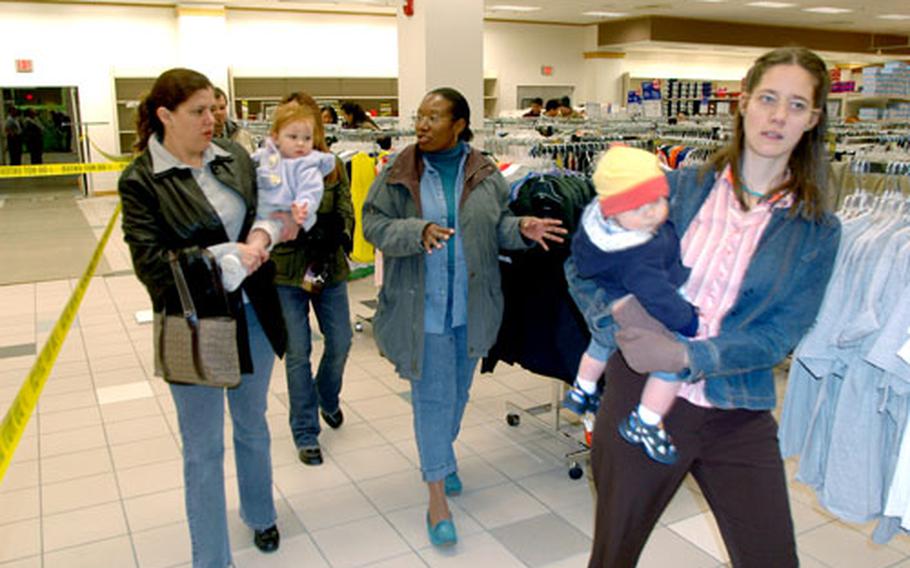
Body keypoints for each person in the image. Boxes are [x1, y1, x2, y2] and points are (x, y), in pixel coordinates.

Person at [579, 47, 842, 567]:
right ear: (743, 102)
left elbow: (777, 336)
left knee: (771, 557)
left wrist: (689, 358)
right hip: (640, 400)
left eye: (795, 105)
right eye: (767, 98)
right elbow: (586, 261)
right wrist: (622, 320)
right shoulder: (674, 189)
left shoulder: (816, 230)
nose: (777, 116)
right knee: (615, 553)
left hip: (736, 409)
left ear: (812, 119)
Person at [363, 87, 567, 548]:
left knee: (457, 394)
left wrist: (522, 228)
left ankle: (442, 457)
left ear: (459, 124)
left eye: (434, 117)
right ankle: (436, 495)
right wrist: (417, 232)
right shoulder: (399, 172)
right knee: (433, 399)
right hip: (423, 310)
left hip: (472, 309)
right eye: (419, 116)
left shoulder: (486, 173)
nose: (422, 125)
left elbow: (495, 228)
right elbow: (372, 224)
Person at [118, 68, 296, 567]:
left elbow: (268, 210)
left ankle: (260, 514)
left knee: (252, 424)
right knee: (202, 450)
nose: (211, 120)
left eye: (214, 109)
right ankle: (212, 558)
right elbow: (152, 267)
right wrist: (225, 255)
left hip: (253, 316)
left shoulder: (234, 158)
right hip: (192, 325)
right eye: (197, 112)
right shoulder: (141, 180)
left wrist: (264, 236)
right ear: (164, 115)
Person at [563, 146, 698, 466]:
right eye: (639, 207)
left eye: (658, 201)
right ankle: (647, 421)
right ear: (615, 211)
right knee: (672, 365)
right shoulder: (639, 254)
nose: (652, 212)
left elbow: (580, 262)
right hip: (634, 306)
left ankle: (582, 388)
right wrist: (689, 322)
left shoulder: (597, 224)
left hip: (608, 300)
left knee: (599, 342)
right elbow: (659, 298)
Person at [273, 91, 355, 467]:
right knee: (297, 354)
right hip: (286, 274)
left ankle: (327, 394)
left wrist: (339, 233)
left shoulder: (333, 164)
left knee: (340, 340)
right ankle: (305, 432)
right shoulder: (270, 170)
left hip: (329, 269)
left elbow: (345, 208)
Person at [213, 87, 255, 154]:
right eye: (213, 109)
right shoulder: (197, 142)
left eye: (222, 108)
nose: (219, 113)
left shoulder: (242, 135)